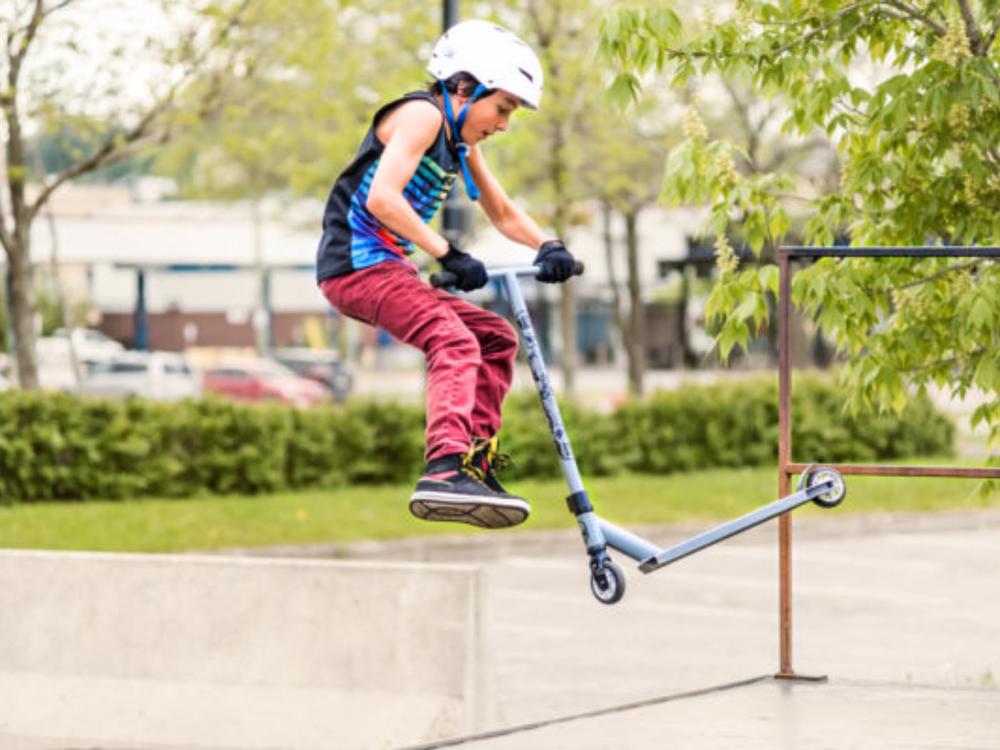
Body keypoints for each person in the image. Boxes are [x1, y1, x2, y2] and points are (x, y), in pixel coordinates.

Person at [316, 20, 576, 530]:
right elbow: (382, 198)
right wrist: (448, 253)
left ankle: (473, 463)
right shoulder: (422, 115)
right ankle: (444, 467)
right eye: (503, 108)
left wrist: (549, 245)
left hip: (388, 268)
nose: (504, 124)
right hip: (357, 265)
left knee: (495, 338)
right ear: (464, 87)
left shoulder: (460, 142)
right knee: (452, 339)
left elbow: (501, 211)